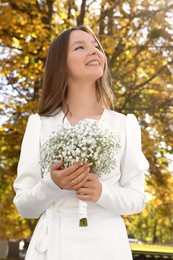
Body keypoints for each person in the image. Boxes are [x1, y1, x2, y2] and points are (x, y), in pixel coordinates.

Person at [13, 25, 149, 260]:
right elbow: (25, 207)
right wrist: (52, 184)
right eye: (80, 47)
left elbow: (137, 199)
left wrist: (102, 192)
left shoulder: (124, 125)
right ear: (61, 65)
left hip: (108, 248)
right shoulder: (39, 124)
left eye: (97, 46)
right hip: (53, 247)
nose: (94, 51)